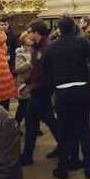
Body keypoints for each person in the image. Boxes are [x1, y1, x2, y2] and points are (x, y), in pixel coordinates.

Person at [41, 15, 90, 179]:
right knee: (84, 128)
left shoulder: (52, 47)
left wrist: (52, 87)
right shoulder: (82, 42)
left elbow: (46, 70)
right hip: (81, 89)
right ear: (74, 27)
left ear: (59, 29)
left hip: (62, 91)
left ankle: (63, 168)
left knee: (65, 130)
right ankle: (89, 167)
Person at [20, 22, 60, 166]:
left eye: (30, 31)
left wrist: (32, 84)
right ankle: (63, 146)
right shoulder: (37, 47)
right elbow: (36, 70)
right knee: (39, 120)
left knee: (37, 120)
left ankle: (27, 155)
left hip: (42, 89)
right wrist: (27, 82)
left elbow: (44, 71)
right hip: (38, 88)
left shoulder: (46, 47)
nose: (28, 34)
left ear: (37, 32)